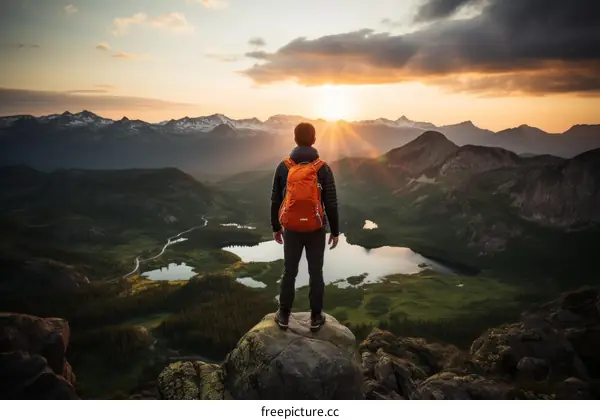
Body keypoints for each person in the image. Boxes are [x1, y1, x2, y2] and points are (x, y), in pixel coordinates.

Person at [270, 122, 340, 332]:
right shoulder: (322, 168)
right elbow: (331, 202)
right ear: (314, 140)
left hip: (291, 229)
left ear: (294, 139)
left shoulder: (284, 166)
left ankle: (283, 315)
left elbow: (275, 200)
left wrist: (276, 226)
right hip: (316, 229)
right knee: (315, 273)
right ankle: (316, 316)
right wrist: (335, 231)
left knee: (289, 271)